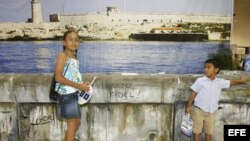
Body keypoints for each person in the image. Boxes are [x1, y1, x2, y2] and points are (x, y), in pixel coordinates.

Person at [185, 59, 248, 141]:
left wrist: (242, 81)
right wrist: (188, 106)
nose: (205, 69)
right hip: (198, 110)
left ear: (216, 70)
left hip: (211, 112)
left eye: (208, 67)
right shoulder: (200, 81)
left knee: (209, 132)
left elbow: (231, 82)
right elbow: (193, 93)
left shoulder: (220, 82)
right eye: (205, 67)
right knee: (197, 131)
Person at [54, 30, 90, 141]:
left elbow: (71, 76)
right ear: (64, 42)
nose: (74, 42)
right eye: (70, 39)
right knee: (72, 125)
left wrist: (81, 84)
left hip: (73, 94)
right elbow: (58, 77)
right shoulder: (63, 56)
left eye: (76, 40)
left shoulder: (73, 57)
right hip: (66, 96)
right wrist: (79, 86)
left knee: (76, 123)